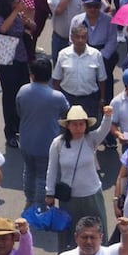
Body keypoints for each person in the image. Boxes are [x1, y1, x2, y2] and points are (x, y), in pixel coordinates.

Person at [45, 105, 113, 246]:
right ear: (68, 125)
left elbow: (104, 130)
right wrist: (49, 193)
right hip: (69, 199)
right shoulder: (58, 143)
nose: (78, 127)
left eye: (81, 124)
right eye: (74, 124)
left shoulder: (91, 139)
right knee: (69, 236)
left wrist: (107, 116)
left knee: (97, 232)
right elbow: (52, 170)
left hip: (92, 195)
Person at [17, 58, 69, 208]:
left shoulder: (23, 91)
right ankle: (39, 205)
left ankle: (29, 199)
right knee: (43, 176)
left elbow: (19, 111)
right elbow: (66, 114)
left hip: (26, 140)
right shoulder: (57, 97)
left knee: (29, 171)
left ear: (32, 75)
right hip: (47, 143)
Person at [0, 0, 33, 149]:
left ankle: (21, 127)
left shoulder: (17, 16)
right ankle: (10, 131)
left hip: (21, 59)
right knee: (9, 97)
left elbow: (32, 28)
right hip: (7, 62)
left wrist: (27, 21)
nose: (18, 3)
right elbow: (3, 29)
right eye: (15, 1)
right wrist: (15, 12)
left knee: (23, 95)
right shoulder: (1, 17)